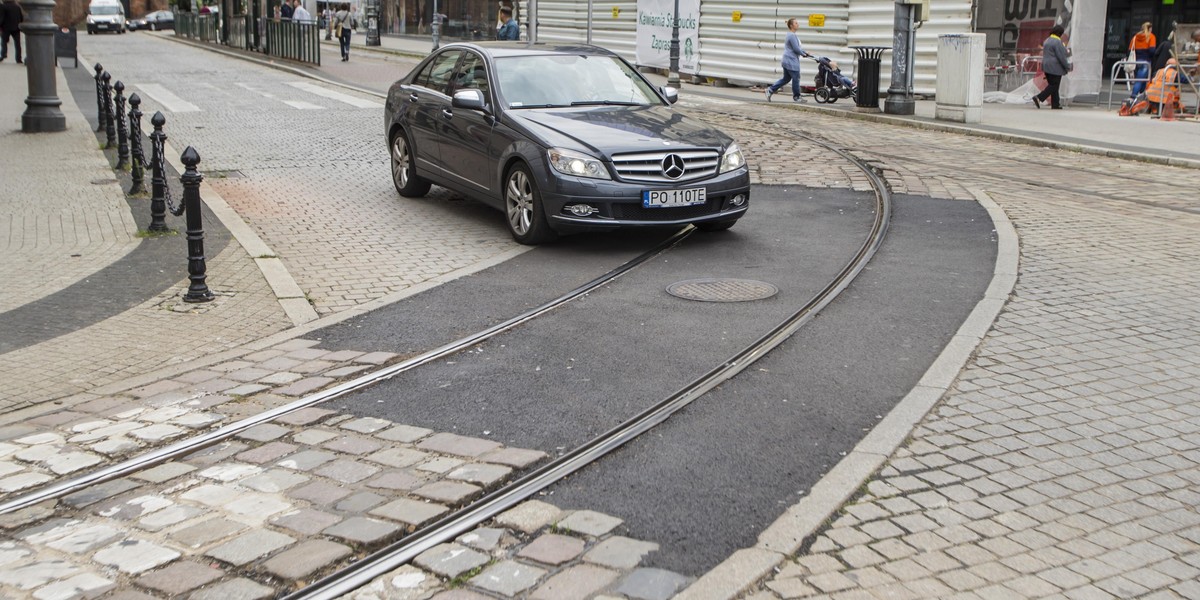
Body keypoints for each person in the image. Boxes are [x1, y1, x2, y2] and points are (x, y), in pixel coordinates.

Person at [765, 17, 811, 103]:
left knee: (786, 79)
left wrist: (804, 53)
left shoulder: (790, 35)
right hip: (791, 61)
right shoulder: (792, 35)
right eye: (796, 23)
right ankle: (797, 97)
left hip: (787, 60)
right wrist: (804, 54)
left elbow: (797, 48)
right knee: (796, 78)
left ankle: (770, 90)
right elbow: (796, 49)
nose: (798, 25)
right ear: (791, 25)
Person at [1031, 24, 1069, 110]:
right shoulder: (1058, 42)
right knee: (1054, 86)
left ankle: (1055, 104)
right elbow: (1061, 56)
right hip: (1055, 67)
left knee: (1053, 85)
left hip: (1046, 66)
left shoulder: (1047, 40)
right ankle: (1039, 98)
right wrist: (1067, 66)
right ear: (1059, 33)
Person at [1128, 22, 1155, 97]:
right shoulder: (1151, 37)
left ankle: (1142, 96)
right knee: (1140, 80)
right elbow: (1152, 50)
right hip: (1146, 61)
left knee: (1142, 80)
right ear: (1149, 28)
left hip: (1136, 61)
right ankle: (1133, 96)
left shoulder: (1135, 37)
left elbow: (1130, 49)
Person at [0, 0, 24, 64]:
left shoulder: (3, 6)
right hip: (16, 28)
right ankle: (18, 59)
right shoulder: (17, 6)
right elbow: (21, 17)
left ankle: (3, 55)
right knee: (17, 44)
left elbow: (1, 17)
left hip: (6, 28)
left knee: (4, 42)